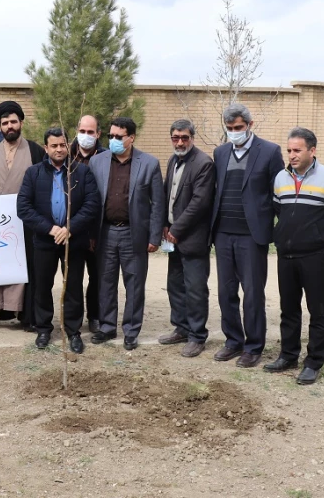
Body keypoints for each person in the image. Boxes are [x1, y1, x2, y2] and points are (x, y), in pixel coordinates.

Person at [264, 127, 324, 385]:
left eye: (297, 150)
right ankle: (288, 355)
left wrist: (320, 240)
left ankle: (313, 362)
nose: (291, 155)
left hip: (315, 257)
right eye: (289, 150)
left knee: (318, 311)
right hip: (286, 257)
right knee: (288, 309)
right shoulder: (281, 178)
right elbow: (280, 210)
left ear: (312, 151)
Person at [210, 103, 285, 368]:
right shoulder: (220, 153)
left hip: (252, 236)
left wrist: (278, 228)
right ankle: (233, 341)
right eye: (229, 129)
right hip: (223, 234)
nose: (234, 133)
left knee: (253, 293)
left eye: (238, 128)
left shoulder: (270, 152)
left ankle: (254, 346)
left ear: (249, 125)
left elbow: (279, 194)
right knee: (225, 292)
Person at [17, 127, 100, 353]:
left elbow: (92, 205)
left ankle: (73, 332)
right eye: (54, 145)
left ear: (68, 146)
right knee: (42, 286)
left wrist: (69, 229)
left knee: (73, 286)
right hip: (45, 241)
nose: (59, 149)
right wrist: (50, 229)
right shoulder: (33, 173)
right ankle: (44, 328)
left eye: (63, 145)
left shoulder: (81, 173)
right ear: (46, 148)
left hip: (73, 241)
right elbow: (23, 208)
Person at [89, 117, 165, 351]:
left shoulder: (149, 163)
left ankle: (131, 331)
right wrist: (91, 234)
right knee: (105, 281)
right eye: (110, 136)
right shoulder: (97, 162)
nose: (113, 140)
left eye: (118, 137)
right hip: (106, 232)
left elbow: (157, 204)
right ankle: (107, 326)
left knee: (134, 284)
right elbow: (92, 201)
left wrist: (154, 237)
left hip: (134, 234)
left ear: (131, 138)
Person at [0, 101, 45, 330]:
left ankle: (23, 312)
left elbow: (43, 184)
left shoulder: (35, 151)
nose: (10, 126)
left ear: (21, 123)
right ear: (0, 126)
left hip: (26, 222)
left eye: (14, 121)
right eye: (5, 123)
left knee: (22, 266)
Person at [158, 119, 215, 358]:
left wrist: (176, 229)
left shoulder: (203, 163)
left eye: (184, 138)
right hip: (172, 237)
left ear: (192, 138)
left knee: (195, 289)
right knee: (175, 285)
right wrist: (163, 224)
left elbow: (199, 203)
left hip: (192, 238)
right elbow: (166, 194)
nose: (180, 142)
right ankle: (181, 328)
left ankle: (197, 335)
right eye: (175, 137)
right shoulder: (173, 160)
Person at [69, 114, 106, 333]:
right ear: (76, 130)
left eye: (90, 132)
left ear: (98, 134)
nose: (86, 136)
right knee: (72, 277)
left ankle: (95, 316)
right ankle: (72, 319)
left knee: (96, 276)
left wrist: (93, 232)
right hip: (69, 228)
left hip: (94, 229)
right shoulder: (66, 156)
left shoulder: (105, 157)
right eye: (82, 131)